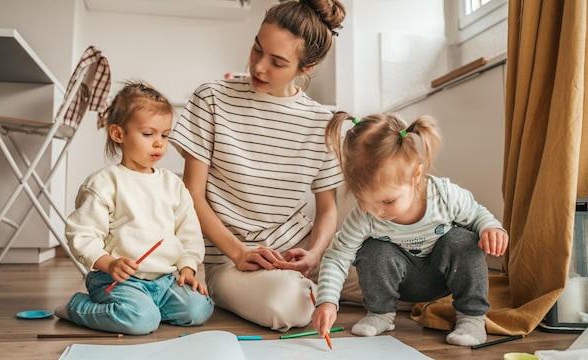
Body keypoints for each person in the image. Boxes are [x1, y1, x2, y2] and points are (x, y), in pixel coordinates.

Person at [169, 0, 347, 331]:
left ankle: (322, 288)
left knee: (395, 275)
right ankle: (316, 294)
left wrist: (316, 254)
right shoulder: (211, 98)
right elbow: (191, 194)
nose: (259, 67)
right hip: (232, 260)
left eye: (277, 62)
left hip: (300, 248)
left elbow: (327, 209)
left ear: (305, 68)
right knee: (289, 307)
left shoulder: (323, 122)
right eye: (256, 49)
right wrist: (237, 253)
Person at [312, 111, 509, 346]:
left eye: (387, 201)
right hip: (401, 283)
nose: (378, 212)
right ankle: (380, 314)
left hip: (442, 278)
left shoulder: (444, 196)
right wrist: (327, 301)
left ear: (416, 175)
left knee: (463, 240)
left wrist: (491, 229)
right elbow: (337, 256)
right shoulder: (364, 216)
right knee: (373, 248)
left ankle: (471, 318)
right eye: (364, 200)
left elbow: (478, 214)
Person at [55, 81, 214, 335]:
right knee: (141, 321)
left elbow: (189, 232)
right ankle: (76, 307)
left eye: (165, 135)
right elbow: (83, 234)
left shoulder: (172, 184)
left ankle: (142, 310)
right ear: (119, 135)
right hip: (116, 280)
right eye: (148, 134)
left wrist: (187, 269)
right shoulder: (105, 183)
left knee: (200, 309)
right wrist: (108, 263)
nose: (159, 144)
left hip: (163, 280)